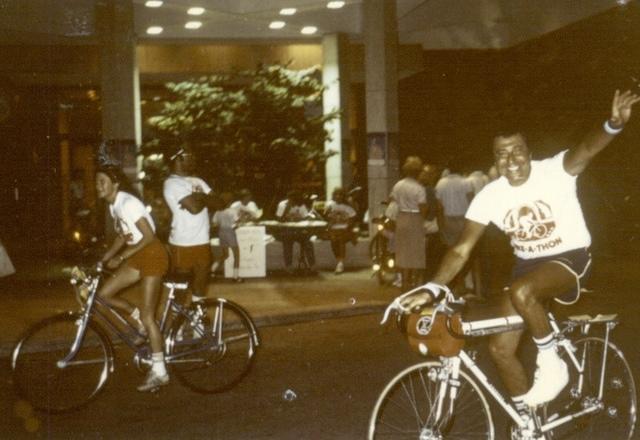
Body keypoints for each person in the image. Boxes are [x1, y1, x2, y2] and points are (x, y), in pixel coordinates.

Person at [402, 89, 640, 411]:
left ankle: (551, 362)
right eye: (502, 154)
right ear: (494, 158)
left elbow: (586, 148)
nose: (511, 160)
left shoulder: (554, 171)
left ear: (529, 152)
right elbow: (461, 249)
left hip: (570, 258)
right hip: (528, 267)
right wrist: (433, 287)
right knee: (500, 348)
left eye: (517, 151)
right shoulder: (490, 195)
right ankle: (529, 422)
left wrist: (612, 124)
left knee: (522, 291)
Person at [95, 165, 170, 392]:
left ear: (115, 184)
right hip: (138, 255)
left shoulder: (128, 203)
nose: (98, 186)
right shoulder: (114, 205)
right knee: (103, 295)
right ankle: (138, 321)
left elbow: (148, 236)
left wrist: (121, 257)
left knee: (149, 316)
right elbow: (123, 235)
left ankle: (160, 371)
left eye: (102, 182)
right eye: (97, 182)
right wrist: (105, 258)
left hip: (152, 254)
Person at [163, 146, 214, 306]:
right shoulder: (171, 183)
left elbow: (219, 202)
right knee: (181, 288)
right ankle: (177, 329)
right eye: (189, 156)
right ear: (177, 159)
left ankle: (197, 325)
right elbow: (194, 209)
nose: (193, 159)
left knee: (201, 284)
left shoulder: (198, 180)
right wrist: (203, 198)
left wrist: (197, 197)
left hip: (202, 240)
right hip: (182, 242)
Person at [390, 156, 429, 290]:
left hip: (401, 218)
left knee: (403, 252)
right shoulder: (419, 188)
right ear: (417, 171)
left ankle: (404, 281)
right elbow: (423, 208)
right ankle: (414, 282)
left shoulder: (398, 185)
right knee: (416, 252)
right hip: (415, 218)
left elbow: (392, 199)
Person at [275, 190, 316, 274]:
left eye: (295, 201)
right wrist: (287, 209)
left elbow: (306, 217)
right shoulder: (282, 205)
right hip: (286, 230)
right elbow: (279, 219)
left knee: (308, 241)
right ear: (289, 199)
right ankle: (288, 266)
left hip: (299, 230)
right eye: (292, 201)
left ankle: (312, 265)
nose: (294, 203)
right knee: (287, 242)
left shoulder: (300, 204)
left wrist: (301, 219)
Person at [324, 187, 357, 274]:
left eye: (340, 195)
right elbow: (327, 218)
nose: (338, 196)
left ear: (343, 196)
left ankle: (340, 263)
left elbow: (352, 220)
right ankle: (339, 261)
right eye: (336, 194)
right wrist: (328, 216)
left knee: (341, 239)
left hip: (345, 230)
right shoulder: (330, 206)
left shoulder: (348, 207)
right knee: (333, 240)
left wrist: (347, 226)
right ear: (334, 196)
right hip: (334, 230)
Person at [211, 192, 242, 282]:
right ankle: (235, 277)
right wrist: (238, 223)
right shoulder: (232, 211)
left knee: (225, 255)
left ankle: (212, 270)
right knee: (236, 255)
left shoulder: (218, 212)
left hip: (221, 233)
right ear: (230, 201)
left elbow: (214, 224)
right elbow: (236, 224)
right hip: (230, 233)